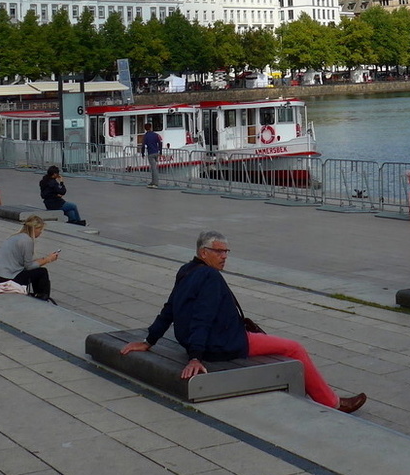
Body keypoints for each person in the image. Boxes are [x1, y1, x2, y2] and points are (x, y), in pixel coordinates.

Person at [121, 231, 366, 413]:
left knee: (281, 345)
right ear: (203, 252)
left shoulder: (186, 270)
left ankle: (317, 394)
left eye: (226, 251)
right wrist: (196, 356)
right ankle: (332, 403)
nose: (224, 256)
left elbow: (169, 308)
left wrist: (149, 340)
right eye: (219, 251)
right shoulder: (209, 276)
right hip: (224, 343)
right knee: (294, 348)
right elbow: (202, 317)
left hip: (211, 340)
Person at [0, 215, 59, 301]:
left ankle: (38, 295)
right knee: (42, 272)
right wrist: (48, 259)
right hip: (7, 279)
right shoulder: (27, 240)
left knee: (36, 271)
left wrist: (42, 259)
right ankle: (43, 297)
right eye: (40, 229)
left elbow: (24, 262)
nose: (41, 232)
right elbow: (29, 266)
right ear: (34, 228)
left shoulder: (15, 236)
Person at [142, 123, 162, 187]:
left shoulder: (145, 136)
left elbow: (143, 146)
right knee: (154, 168)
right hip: (156, 152)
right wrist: (160, 151)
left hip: (150, 153)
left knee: (153, 168)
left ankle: (155, 183)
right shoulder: (155, 135)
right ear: (151, 127)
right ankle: (153, 182)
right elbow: (160, 143)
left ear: (145, 128)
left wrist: (143, 153)